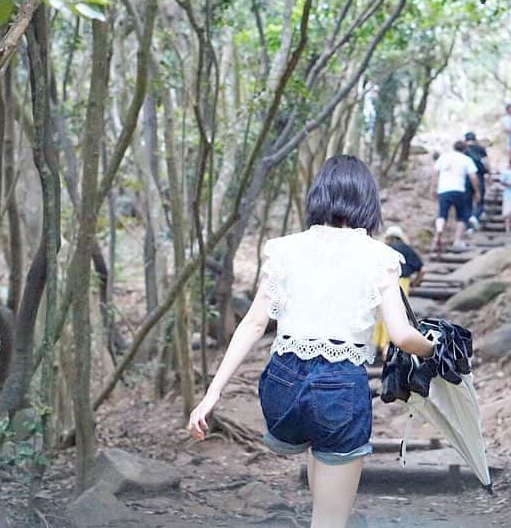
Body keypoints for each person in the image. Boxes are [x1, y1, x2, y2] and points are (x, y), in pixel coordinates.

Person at [187, 155, 435, 528]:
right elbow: (401, 336)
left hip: (282, 386)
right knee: (330, 521)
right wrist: (435, 348)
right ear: (367, 202)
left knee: (318, 441)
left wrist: (211, 395)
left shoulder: (284, 249)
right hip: (338, 388)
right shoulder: (379, 256)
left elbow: (254, 323)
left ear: (318, 197)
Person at [371, 225, 424, 355]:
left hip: (379, 281)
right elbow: (422, 269)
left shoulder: (382, 248)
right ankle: (387, 347)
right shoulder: (406, 249)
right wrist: (416, 282)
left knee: (379, 313)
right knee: (394, 313)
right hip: (401, 282)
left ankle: (376, 344)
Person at [430, 140, 480, 252]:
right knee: (461, 217)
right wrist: (477, 191)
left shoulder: (443, 157)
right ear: (465, 149)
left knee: (441, 215)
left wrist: (433, 188)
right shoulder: (466, 159)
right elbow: (473, 177)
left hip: (443, 190)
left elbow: (435, 172)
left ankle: (439, 231)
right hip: (459, 190)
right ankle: (457, 240)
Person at [463, 132, 489, 225]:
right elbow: (486, 163)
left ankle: (468, 223)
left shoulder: (463, 150)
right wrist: (488, 174)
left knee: (467, 201)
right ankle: (475, 216)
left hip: (466, 177)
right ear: (475, 139)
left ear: (465, 140)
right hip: (479, 176)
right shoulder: (481, 149)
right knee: (480, 199)